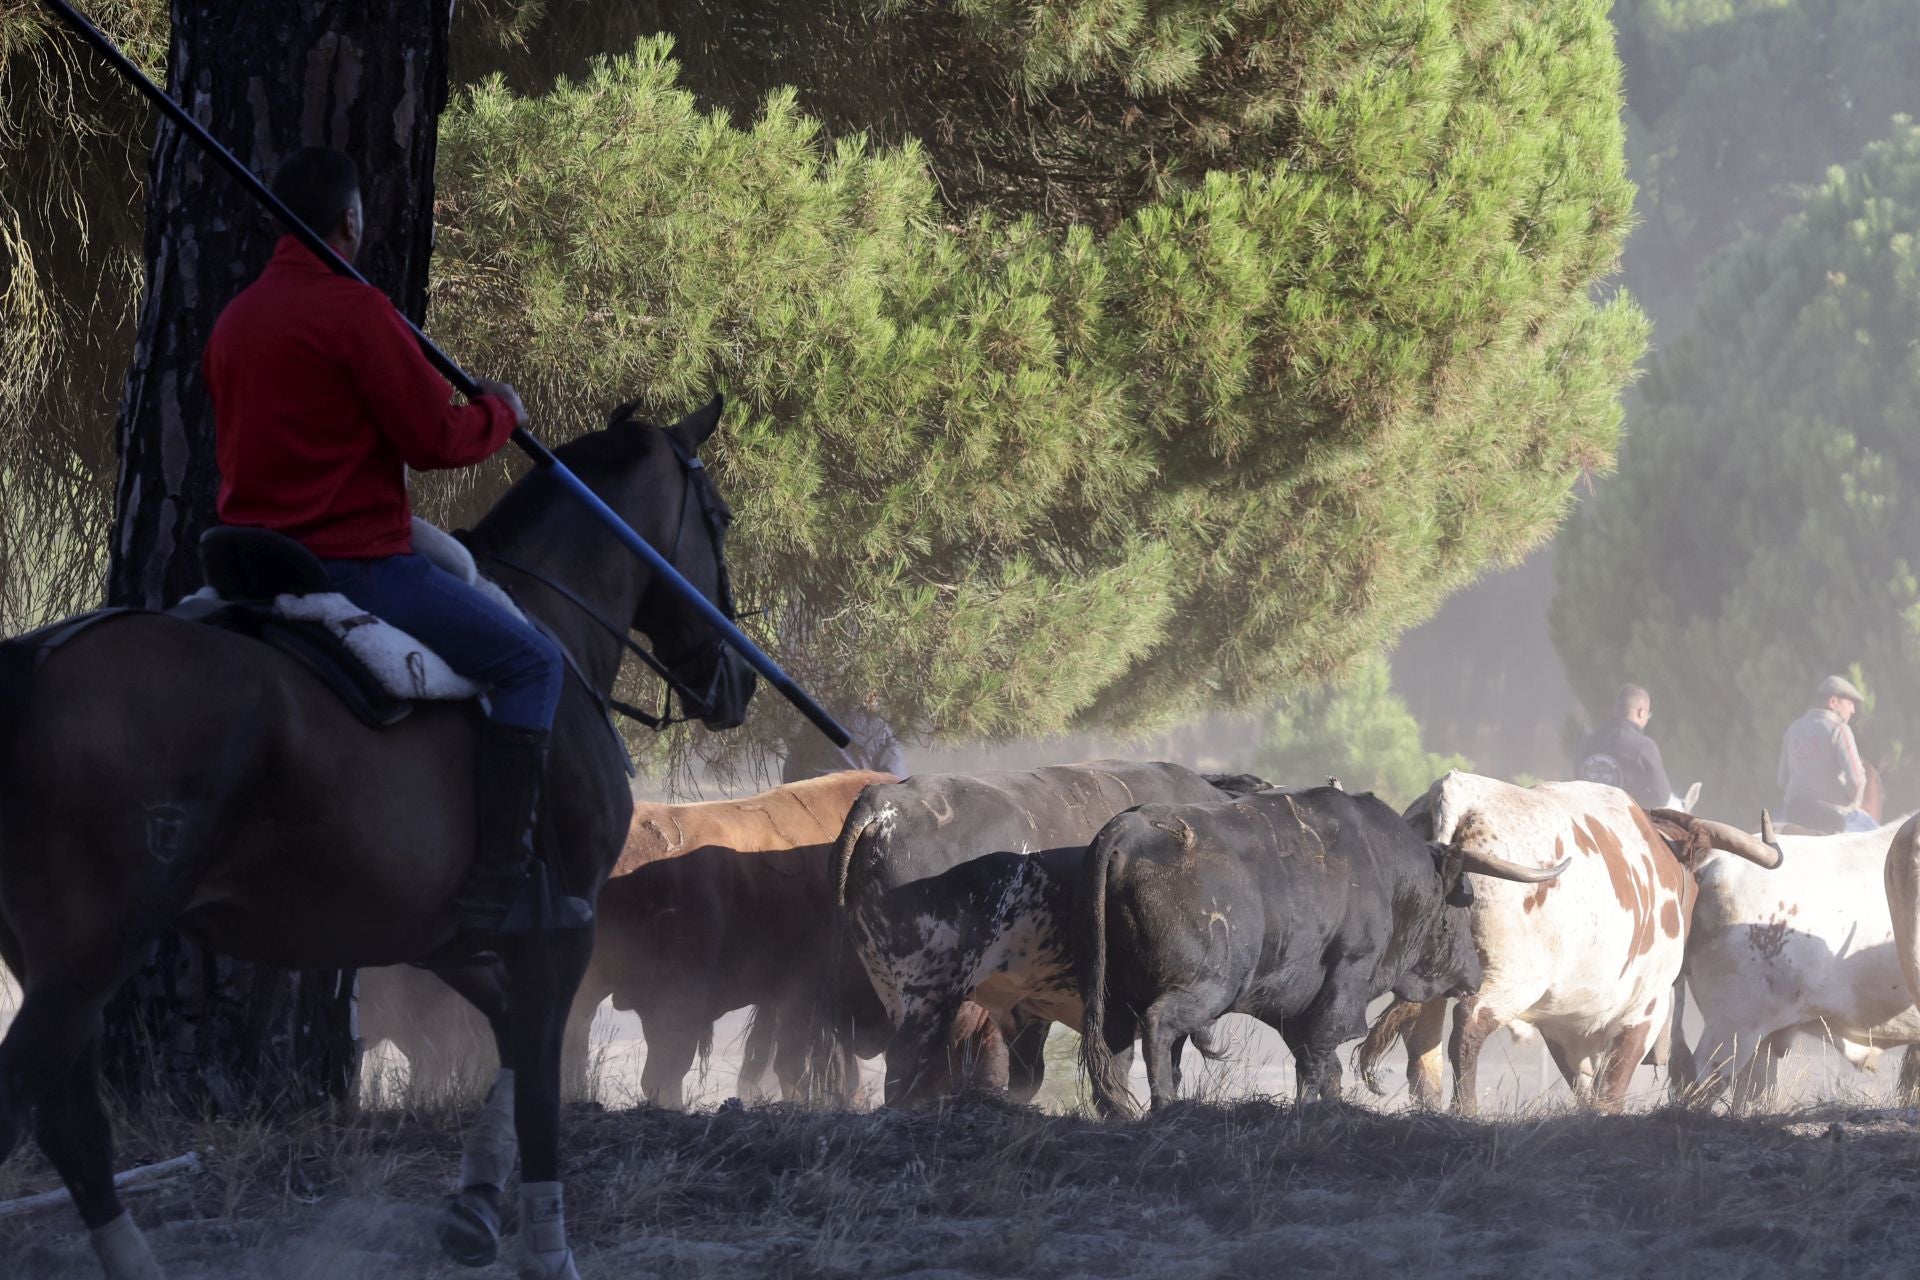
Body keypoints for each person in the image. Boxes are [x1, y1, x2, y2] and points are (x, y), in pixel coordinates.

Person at [201, 146, 588, 935]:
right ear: (350, 221)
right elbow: (434, 437)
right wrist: (499, 411)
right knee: (533, 662)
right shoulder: (357, 311)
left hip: (250, 560)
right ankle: (497, 888)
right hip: (354, 564)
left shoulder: (235, 321)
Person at [1777, 675, 1868, 834]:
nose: (1853, 711)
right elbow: (1856, 780)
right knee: (1874, 832)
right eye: (1849, 704)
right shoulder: (1839, 730)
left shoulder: (1793, 728)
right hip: (1830, 815)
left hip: (1793, 811)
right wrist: (1851, 801)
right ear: (1833, 702)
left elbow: (1782, 780)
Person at [1574, 683, 1674, 810]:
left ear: (1616, 709)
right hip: (1623, 820)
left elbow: (1576, 781)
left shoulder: (1587, 740)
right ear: (1641, 712)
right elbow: (1662, 796)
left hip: (1586, 816)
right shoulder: (1644, 747)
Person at [781, 690, 906, 782]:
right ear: (870, 696)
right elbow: (896, 780)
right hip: (856, 803)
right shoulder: (881, 730)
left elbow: (790, 771)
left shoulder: (812, 725)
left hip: (811, 802)